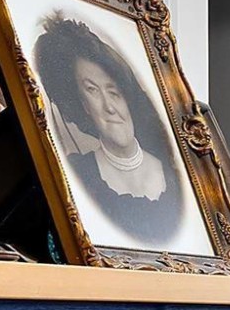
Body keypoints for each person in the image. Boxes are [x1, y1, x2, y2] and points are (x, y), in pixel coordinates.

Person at [32, 13, 192, 248]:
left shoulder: (181, 177)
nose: (109, 106)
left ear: (127, 97)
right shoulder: (76, 175)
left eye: (113, 91)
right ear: (83, 105)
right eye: (92, 90)